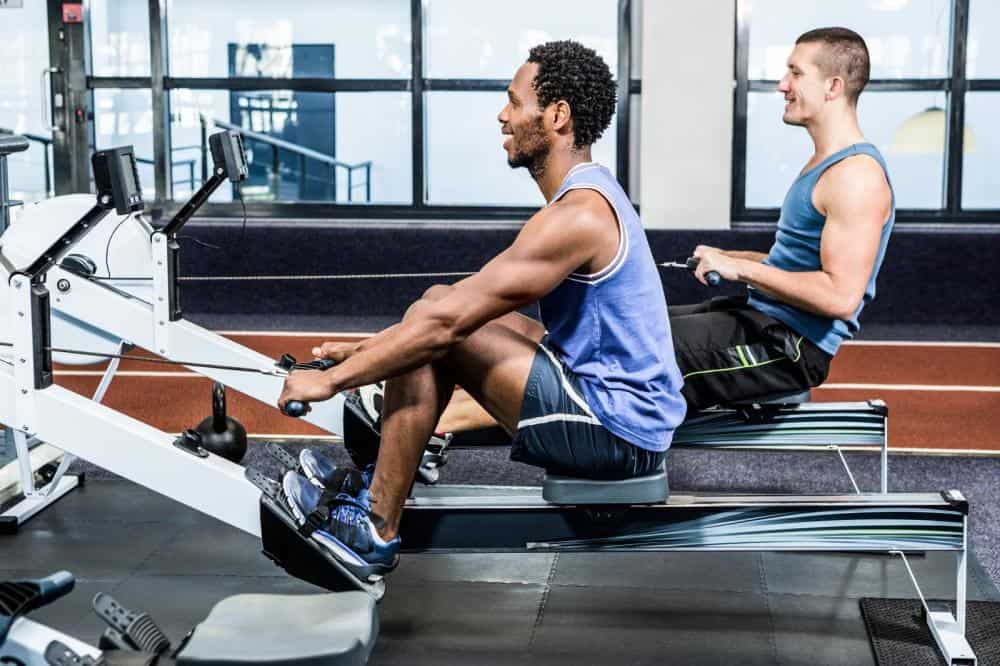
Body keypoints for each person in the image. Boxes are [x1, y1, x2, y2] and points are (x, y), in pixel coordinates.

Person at [342, 25, 895, 445]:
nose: (782, 84)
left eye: (796, 73)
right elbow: (800, 262)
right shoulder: (825, 166)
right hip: (762, 317)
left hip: (788, 347)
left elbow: (840, 295)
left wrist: (746, 268)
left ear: (834, 86)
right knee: (609, 334)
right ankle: (434, 403)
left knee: (625, 358)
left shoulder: (855, 177)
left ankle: (444, 426)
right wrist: (736, 257)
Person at [277, 40, 687, 583]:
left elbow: (449, 327)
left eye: (514, 102)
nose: (503, 115)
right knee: (441, 301)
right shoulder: (587, 196)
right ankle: (385, 476)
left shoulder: (579, 216)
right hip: (617, 411)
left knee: (440, 329)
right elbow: (469, 300)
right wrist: (371, 349)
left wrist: (332, 383)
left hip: (617, 431)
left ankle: (375, 525)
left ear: (557, 115)